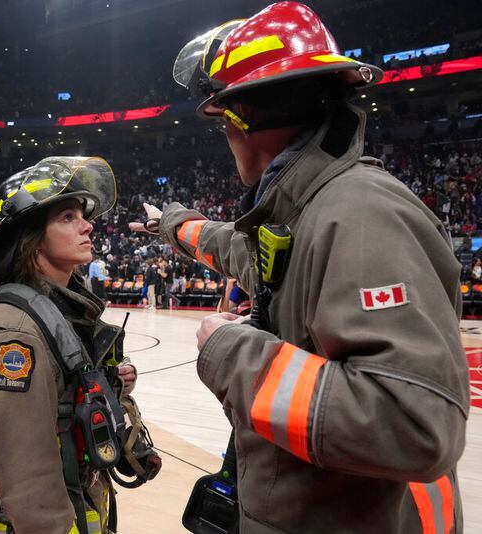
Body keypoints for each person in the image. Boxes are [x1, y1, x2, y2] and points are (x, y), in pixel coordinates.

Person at [131, 3, 467, 532]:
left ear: (240, 120)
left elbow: (413, 425)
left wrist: (228, 351)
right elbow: (233, 247)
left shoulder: (360, 214)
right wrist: (170, 224)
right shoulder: (304, 212)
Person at [0, 156, 140, 534]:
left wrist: (114, 382)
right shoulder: (17, 335)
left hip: (85, 503)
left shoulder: (64, 310)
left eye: (83, 214)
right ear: (29, 240)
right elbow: (25, 471)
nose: (87, 224)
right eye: (67, 217)